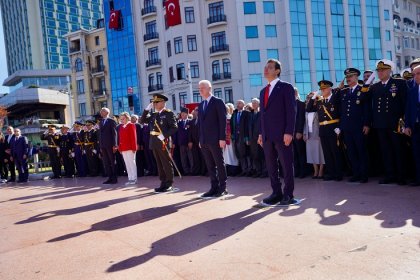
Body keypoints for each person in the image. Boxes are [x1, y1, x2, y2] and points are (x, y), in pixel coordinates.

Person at [258, 59, 296, 206]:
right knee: (271, 166)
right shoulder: (263, 91)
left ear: (277, 71)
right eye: (265, 67)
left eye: (270, 67)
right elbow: (263, 115)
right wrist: (261, 133)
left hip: (282, 134)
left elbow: (291, 111)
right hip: (267, 135)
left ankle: (288, 194)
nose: (266, 69)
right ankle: (276, 193)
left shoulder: (285, 87)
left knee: (286, 164)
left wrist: (289, 132)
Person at [369, 59, 408, 185]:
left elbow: (405, 103)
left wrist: (403, 121)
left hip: (395, 123)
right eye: (378, 70)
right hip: (380, 124)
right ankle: (389, 175)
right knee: (385, 151)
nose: (380, 73)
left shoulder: (399, 83)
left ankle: (401, 176)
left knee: (398, 150)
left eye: (383, 70)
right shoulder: (375, 87)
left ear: (390, 70)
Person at [140, 94, 178, 192]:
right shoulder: (154, 114)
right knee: (159, 164)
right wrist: (146, 109)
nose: (155, 104)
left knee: (166, 163)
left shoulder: (168, 113)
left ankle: (169, 183)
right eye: (154, 103)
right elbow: (142, 120)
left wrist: (164, 135)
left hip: (163, 142)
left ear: (163, 102)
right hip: (154, 142)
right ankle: (163, 182)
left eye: (156, 102)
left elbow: (174, 128)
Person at [306, 80, 343, 181]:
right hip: (323, 129)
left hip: (333, 128)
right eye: (321, 89)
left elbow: (341, 113)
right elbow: (308, 109)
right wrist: (314, 96)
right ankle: (331, 173)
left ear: (330, 88)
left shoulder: (335, 98)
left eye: (324, 88)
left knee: (335, 151)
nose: (322, 90)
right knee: (327, 152)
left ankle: (338, 173)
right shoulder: (319, 101)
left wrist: (339, 126)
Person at [339, 68, 371, 183]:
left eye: (350, 77)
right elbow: (341, 110)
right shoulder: (344, 91)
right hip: (347, 127)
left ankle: (364, 175)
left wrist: (367, 124)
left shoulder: (362, 90)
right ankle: (356, 173)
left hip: (359, 126)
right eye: (347, 77)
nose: (348, 79)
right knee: (351, 152)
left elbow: (366, 109)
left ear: (356, 77)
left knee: (361, 151)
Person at [198, 80, 228, 198]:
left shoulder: (217, 102)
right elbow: (200, 124)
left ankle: (223, 187)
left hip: (216, 139)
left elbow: (222, 121)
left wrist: (222, 138)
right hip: (204, 140)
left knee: (219, 163)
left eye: (203, 88)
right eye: (199, 88)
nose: (200, 90)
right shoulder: (201, 105)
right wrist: (200, 140)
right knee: (210, 165)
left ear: (209, 88)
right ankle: (213, 187)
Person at [404, 65, 420, 186]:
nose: (415, 77)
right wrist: (407, 126)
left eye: (418, 74)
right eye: (414, 75)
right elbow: (408, 110)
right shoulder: (413, 90)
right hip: (416, 127)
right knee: (416, 154)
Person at [303, 93, 325, 179]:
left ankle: (321, 171)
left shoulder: (319, 108)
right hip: (309, 134)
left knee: (320, 153)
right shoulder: (307, 110)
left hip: (318, 134)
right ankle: (315, 170)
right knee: (311, 153)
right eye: (308, 98)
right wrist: (304, 133)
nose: (309, 99)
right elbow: (304, 123)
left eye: (311, 98)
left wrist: (321, 133)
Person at [231, 100, 251, 176]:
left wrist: (247, 138)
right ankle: (244, 170)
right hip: (236, 137)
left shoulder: (247, 114)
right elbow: (233, 126)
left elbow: (248, 126)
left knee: (246, 153)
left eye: (239, 103)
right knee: (239, 153)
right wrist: (233, 135)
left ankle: (249, 170)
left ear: (243, 105)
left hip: (244, 136)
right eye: (237, 103)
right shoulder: (234, 114)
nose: (237, 104)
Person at [99, 108, 118, 184]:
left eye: (102, 111)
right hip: (103, 145)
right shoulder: (101, 121)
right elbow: (100, 134)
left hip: (110, 144)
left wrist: (115, 145)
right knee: (106, 162)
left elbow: (114, 133)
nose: (101, 112)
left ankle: (114, 178)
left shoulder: (111, 121)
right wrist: (100, 145)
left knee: (112, 161)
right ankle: (109, 177)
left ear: (107, 112)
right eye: (101, 111)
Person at [118, 112, 138, 185]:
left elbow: (133, 137)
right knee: (127, 163)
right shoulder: (121, 126)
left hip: (130, 147)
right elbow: (120, 138)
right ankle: (130, 178)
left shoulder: (131, 125)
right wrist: (120, 148)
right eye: (121, 119)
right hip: (123, 148)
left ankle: (134, 178)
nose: (122, 120)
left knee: (131, 163)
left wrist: (134, 148)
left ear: (127, 118)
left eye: (123, 119)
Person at [248, 98, 265, 178]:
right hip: (252, 139)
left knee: (262, 155)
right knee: (255, 155)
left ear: (259, 104)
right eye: (252, 103)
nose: (253, 104)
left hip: (260, 137)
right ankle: (258, 171)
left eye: (255, 103)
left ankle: (264, 171)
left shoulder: (262, 113)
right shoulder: (250, 114)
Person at [293, 88, 307, 178]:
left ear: (296, 93)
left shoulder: (301, 104)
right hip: (290, 134)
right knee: (294, 154)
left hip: (298, 132)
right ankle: (296, 171)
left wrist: (299, 131)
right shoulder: (287, 104)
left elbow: (302, 119)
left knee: (301, 152)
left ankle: (303, 172)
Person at [175, 107, 193, 175]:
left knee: (191, 157)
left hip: (189, 142)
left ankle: (192, 170)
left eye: (184, 113)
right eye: (182, 113)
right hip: (181, 143)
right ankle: (186, 171)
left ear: (187, 114)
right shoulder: (178, 123)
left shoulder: (190, 122)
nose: (182, 115)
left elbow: (191, 133)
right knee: (183, 158)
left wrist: (190, 141)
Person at [223, 103, 240, 176]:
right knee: (225, 155)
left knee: (232, 154)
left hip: (230, 139)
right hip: (224, 140)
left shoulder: (231, 117)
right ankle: (228, 170)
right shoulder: (222, 118)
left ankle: (234, 170)